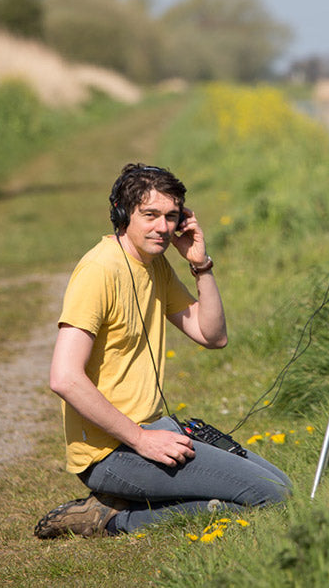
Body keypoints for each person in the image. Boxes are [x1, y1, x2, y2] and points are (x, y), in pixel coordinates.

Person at [34, 163, 291, 538]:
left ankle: (133, 502)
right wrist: (141, 440)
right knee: (273, 498)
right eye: (150, 215)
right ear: (122, 215)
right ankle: (111, 518)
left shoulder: (157, 266)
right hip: (111, 453)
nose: (163, 227)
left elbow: (212, 335)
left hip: (153, 431)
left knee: (280, 484)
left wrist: (201, 265)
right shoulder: (99, 271)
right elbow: (64, 377)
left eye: (171, 217)